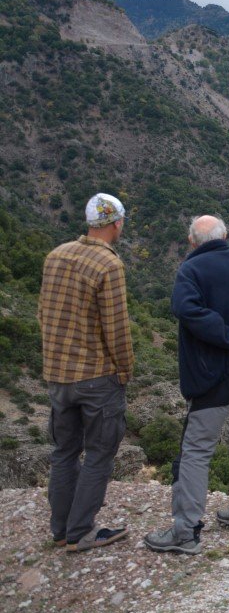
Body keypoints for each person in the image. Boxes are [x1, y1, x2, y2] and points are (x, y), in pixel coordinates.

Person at [144, 216, 229, 555]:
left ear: (191, 242)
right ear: (226, 237)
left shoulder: (192, 271)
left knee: (197, 448)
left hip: (217, 369)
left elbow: (186, 309)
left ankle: (185, 531)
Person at [38, 192, 134, 552]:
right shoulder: (108, 265)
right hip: (96, 377)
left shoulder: (56, 255)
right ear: (116, 223)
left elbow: (43, 312)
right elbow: (117, 328)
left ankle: (61, 530)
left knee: (63, 451)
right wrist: (124, 369)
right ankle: (82, 532)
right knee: (98, 452)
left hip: (58, 375)